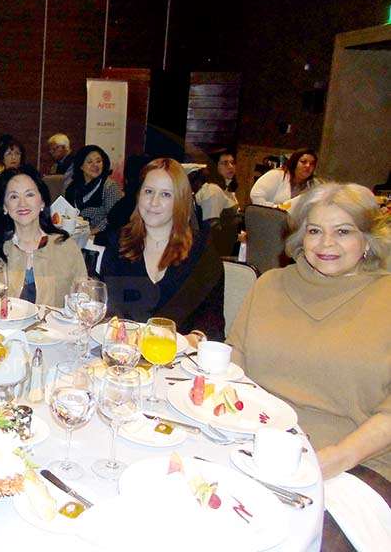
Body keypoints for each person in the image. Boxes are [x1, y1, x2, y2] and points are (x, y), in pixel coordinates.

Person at [228, 182, 390, 491]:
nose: (326, 243)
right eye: (315, 231)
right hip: (252, 445)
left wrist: (337, 458)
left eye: (343, 231)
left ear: (368, 240)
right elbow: (235, 363)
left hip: (352, 465)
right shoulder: (269, 285)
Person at [99, 157, 225, 342]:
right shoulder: (118, 243)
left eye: (166, 194)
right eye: (148, 191)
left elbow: (213, 320)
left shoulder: (201, 251)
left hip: (180, 360)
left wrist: (195, 339)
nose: (154, 202)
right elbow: (108, 307)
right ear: (138, 195)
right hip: (125, 354)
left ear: (180, 201)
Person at [0, 166, 87, 306]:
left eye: (29, 194)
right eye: (14, 196)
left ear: (43, 201)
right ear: (4, 207)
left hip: (54, 327)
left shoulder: (65, 247)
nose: (22, 203)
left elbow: (82, 299)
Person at [64, 145, 123, 235]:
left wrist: (93, 232)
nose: (95, 165)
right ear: (81, 166)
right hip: (76, 234)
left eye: (98, 161)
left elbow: (115, 218)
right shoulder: (72, 187)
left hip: (101, 236)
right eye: (89, 162)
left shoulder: (109, 186)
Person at [250, 149, 319, 207]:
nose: (308, 166)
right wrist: (275, 209)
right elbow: (256, 196)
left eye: (312, 164)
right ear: (294, 163)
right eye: (303, 162)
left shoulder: (315, 185)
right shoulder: (276, 175)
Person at [195, 150, 240, 222]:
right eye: (225, 163)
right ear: (214, 166)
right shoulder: (212, 190)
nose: (231, 167)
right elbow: (211, 227)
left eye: (232, 163)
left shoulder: (227, 188)